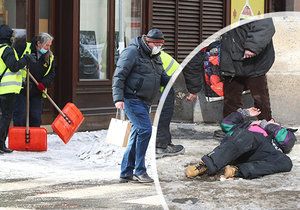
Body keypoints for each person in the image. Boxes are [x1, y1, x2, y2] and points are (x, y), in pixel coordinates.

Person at [112, 28, 169, 183]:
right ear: (147, 41)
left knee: (137, 134)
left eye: (161, 44)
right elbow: (119, 75)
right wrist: (118, 98)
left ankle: (126, 172)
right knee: (145, 130)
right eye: (156, 43)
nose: (159, 46)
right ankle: (140, 170)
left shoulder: (156, 56)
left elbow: (162, 76)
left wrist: (174, 79)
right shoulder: (132, 52)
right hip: (132, 98)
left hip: (145, 101)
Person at [185, 107, 297, 179]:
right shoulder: (246, 126)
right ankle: (206, 165)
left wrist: (267, 125)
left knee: (286, 162)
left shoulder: (276, 135)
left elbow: (286, 141)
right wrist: (245, 113)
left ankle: (236, 171)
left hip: (261, 152)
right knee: (246, 135)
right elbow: (226, 124)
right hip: (239, 144)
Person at [220, 18, 275, 120]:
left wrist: (252, 47)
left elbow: (265, 26)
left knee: (260, 97)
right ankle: (231, 127)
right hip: (231, 61)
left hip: (253, 61)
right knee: (231, 98)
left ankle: (267, 125)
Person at [0, 24, 35, 154]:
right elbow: (14, 66)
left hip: (2, 88)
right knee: (6, 117)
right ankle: (0, 144)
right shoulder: (7, 50)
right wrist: (26, 58)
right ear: (8, 37)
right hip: (7, 89)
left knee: (3, 117)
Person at [13, 32, 55, 127]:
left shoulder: (50, 57)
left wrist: (44, 83)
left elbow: (51, 73)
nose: (48, 48)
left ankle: (34, 138)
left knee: (35, 116)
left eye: (49, 45)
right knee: (21, 115)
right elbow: (14, 63)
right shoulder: (25, 48)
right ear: (39, 43)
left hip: (37, 89)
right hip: (22, 88)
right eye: (46, 45)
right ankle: (19, 138)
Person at [156, 51, 185, 158]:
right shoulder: (156, 55)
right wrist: (193, 89)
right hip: (161, 86)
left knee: (162, 115)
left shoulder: (139, 52)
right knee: (164, 114)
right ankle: (160, 146)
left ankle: (164, 143)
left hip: (158, 85)